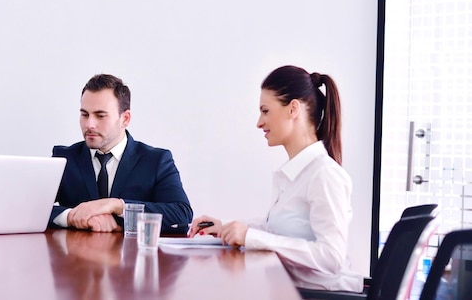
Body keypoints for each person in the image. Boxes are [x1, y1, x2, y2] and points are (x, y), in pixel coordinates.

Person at [188, 65, 363, 292]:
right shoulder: (296, 173)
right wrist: (226, 228)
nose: (259, 122)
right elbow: (282, 231)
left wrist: (251, 237)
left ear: (293, 109)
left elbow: (331, 257)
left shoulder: (324, 175)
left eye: (265, 111)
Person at [48, 74, 193, 234]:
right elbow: (29, 210)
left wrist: (117, 206)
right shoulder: (65, 158)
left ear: (125, 118)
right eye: (84, 114)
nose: (89, 124)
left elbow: (181, 215)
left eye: (100, 116)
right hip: (75, 256)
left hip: (132, 256)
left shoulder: (156, 161)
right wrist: (70, 216)